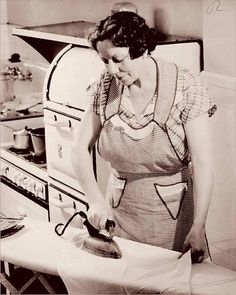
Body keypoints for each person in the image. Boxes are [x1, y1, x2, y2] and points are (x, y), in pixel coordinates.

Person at [71, 11, 217, 263]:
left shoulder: (186, 86)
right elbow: (78, 149)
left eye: (118, 59)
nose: (112, 69)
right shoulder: (104, 86)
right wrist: (95, 201)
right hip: (119, 216)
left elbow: (203, 163)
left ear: (142, 49)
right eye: (104, 61)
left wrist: (199, 225)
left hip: (173, 218)